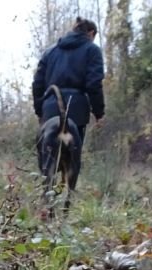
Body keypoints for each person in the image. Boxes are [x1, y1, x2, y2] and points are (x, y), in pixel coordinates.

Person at [32, 18, 106, 171]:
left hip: (50, 110)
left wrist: (40, 111)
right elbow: (94, 85)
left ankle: (48, 192)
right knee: (72, 161)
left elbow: (37, 84)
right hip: (76, 112)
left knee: (48, 161)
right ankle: (69, 193)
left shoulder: (50, 52)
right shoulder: (92, 50)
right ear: (91, 33)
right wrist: (99, 113)